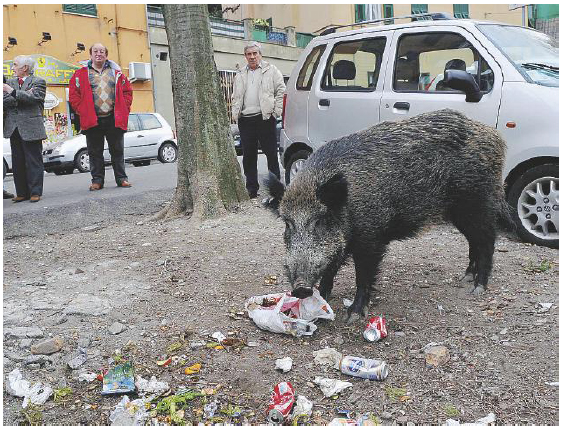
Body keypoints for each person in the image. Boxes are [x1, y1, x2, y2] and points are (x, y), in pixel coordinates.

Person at [69, 43, 133, 191]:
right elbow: (73, 95)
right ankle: (97, 181)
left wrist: (125, 108)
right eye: (96, 51)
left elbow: (127, 92)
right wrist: (82, 111)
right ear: (90, 55)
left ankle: (122, 179)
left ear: (106, 55)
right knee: (94, 152)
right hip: (92, 119)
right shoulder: (80, 74)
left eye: (102, 51)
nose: (99, 53)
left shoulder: (116, 73)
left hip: (113, 118)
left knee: (117, 151)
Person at [231, 41, 286, 199]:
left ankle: (276, 190)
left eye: (255, 53)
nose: (252, 57)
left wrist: (276, 112)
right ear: (245, 56)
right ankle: (252, 189)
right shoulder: (240, 73)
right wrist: (236, 113)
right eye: (249, 54)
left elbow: (281, 90)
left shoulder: (271, 70)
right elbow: (236, 95)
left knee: (270, 154)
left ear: (260, 55)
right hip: (245, 120)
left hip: (265, 118)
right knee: (248, 156)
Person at [3, 56, 47, 203]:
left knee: (33, 161)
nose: (12, 68)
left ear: (25, 67)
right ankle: (22, 192)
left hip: (31, 127)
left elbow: (34, 98)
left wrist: (12, 92)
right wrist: (23, 94)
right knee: (18, 162)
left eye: (15, 65)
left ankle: (35, 192)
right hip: (13, 127)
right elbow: (4, 101)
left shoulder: (38, 81)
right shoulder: (10, 82)